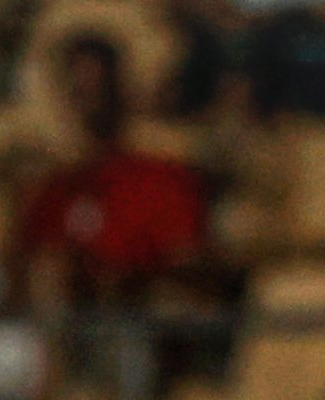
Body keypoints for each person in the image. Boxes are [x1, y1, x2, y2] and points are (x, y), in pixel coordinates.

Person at [12, 29, 207, 306]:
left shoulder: (163, 181)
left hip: (138, 325)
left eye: (99, 88)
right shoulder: (51, 193)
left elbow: (189, 271)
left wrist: (122, 279)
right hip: (67, 332)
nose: (90, 105)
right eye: (78, 92)